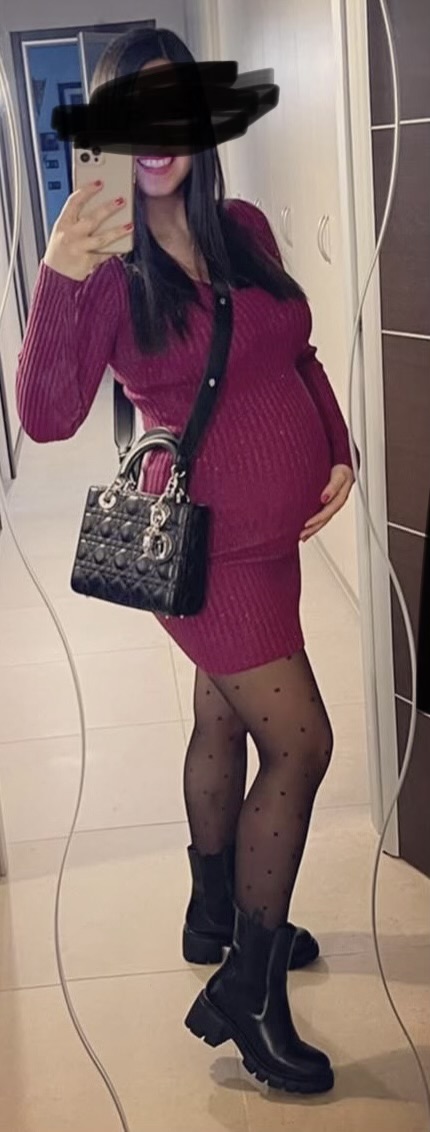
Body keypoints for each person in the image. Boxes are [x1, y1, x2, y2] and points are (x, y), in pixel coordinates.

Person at [16, 27, 359, 1097]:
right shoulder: (104, 272)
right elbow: (46, 413)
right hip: (204, 552)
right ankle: (249, 992)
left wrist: (336, 443)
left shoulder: (243, 226)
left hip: (274, 540)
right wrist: (58, 277)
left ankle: (217, 913)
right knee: (302, 743)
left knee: (224, 718)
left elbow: (295, 347)